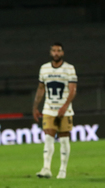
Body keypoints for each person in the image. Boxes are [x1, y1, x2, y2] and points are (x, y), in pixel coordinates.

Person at [33, 42, 77, 179]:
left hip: (65, 111)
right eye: (54, 51)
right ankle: (46, 168)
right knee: (48, 137)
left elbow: (72, 90)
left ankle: (62, 170)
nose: (56, 53)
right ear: (51, 52)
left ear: (62, 53)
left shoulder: (69, 69)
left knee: (64, 140)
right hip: (49, 109)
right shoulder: (44, 68)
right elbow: (41, 88)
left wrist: (64, 106)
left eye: (59, 51)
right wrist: (35, 106)